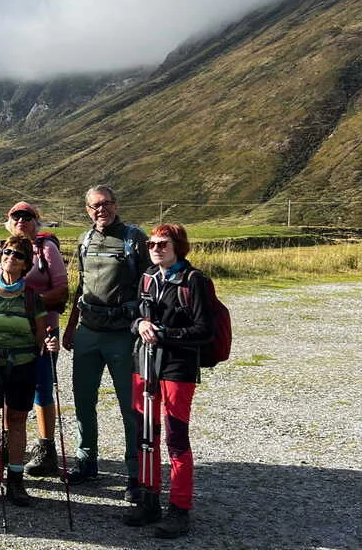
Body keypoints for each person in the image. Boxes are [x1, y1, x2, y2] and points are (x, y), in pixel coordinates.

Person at [123, 224, 213, 538]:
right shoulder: (148, 278)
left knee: (175, 438)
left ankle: (179, 509)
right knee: (145, 435)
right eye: (152, 243)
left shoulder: (194, 281)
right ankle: (149, 500)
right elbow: (134, 316)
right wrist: (140, 324)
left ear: (178, 247)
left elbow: (205, 330)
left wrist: (166, 334)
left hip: (178, 367)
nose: (156, 248)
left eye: (163, 243)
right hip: (144, 363)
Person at [61, 185, 149, 501]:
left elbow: (149, 285)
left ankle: (135, 474)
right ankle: (86, 462)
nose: (102, 210)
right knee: (84, 400)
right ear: (87, 209)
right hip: (88, 330)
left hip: (123, 334)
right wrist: (70, 327)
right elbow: (80, 286)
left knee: (131, 407)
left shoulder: (134, 238)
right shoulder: (85, 240)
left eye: (107, 204)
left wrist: (144, 325)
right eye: (95, 205)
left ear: (116, 204)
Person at [0, 235, 56, 507]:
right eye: (6, 252)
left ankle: (16, 479)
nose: (10, 257)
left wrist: (49, 343)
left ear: (26, 264)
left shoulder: (31, 298)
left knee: (16, 420)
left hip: (22, 365)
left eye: (17, 255)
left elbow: (40, 337)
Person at [0, 201, 69, 478]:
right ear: (8, 221)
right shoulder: (0, 250)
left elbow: (62, 291)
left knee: (42, 388)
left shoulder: (47, 249)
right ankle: (9, 442)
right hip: (3, 337)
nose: (21, 219)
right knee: (8, 388)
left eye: (27, 216)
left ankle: (46, 449)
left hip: (41, 333)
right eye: (15, 216)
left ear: (36, 221)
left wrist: (25, 303)